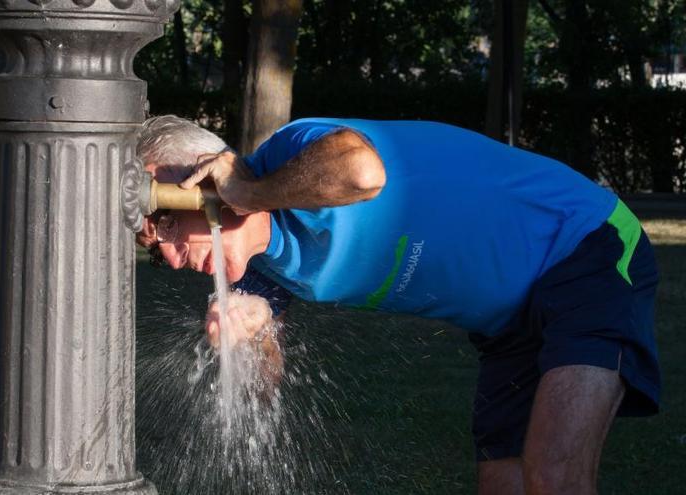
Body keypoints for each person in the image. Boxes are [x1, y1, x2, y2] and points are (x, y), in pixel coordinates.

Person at [134, 114, 661, 495]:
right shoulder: (264, 271)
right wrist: (248, 342)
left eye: (167, 222)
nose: (172, 259)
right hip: (509, 329)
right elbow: (263, 401)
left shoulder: (291, 153)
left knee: (553, 478)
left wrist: (247, 192)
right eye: (154, 251)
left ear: (205, 174)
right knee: (504, 485)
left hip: (585, 248)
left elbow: (363, 173)